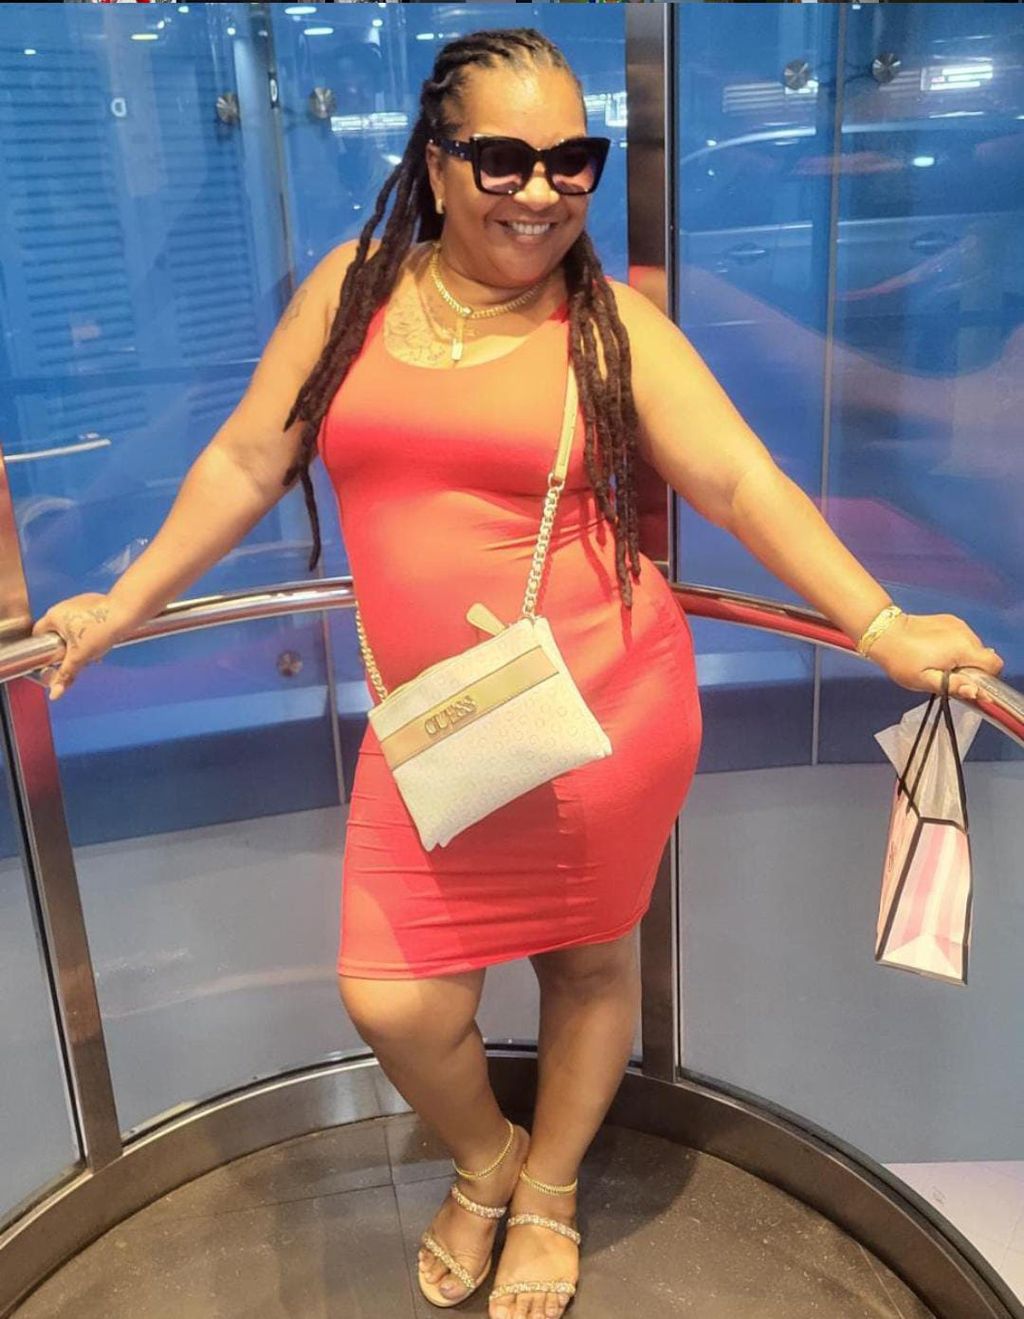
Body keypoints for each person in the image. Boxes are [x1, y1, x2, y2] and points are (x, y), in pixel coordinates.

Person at [30, 27, 1004, 1319]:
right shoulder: (352, 293)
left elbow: (738, 478)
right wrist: (123, 601)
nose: (541, 190)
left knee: (589, 967)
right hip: (432, 727)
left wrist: (883, 627)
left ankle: (546, 1187)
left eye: (571, 160)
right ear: (435, 164)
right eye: (503, 158)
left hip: (603, 708)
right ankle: (488, 1156)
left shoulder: (610, 325)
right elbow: (246, 461)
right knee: (391, 995)